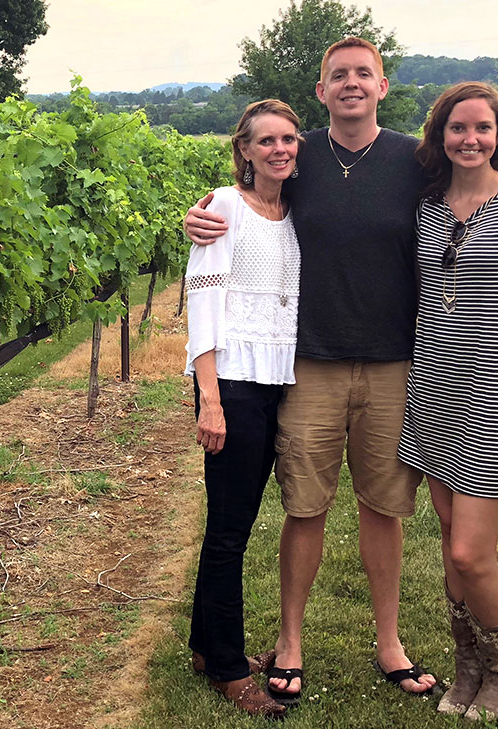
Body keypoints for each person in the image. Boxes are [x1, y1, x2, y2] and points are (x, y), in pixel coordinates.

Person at [183, 37, 498, 703]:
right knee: (305, 506)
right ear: (321, 90)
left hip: (395, 365)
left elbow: (483, 195)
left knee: (382, 507)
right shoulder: (296, 155)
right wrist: (196, 218)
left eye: (364, 73)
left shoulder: (414, 161)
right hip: (312, 365)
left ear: (383, 86)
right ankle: (292, 641)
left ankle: (389, 642)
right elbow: (244, 206)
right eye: (339, 75)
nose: (352, 83)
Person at [398, 81, 498, 721]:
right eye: (457, 128)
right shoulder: (427, 205)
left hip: (496, 398)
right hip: (431, 396)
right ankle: (466, 671)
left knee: (472, 552)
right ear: (440, 136)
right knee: (448, 541)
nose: (470, 139)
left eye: (482, 129)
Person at [184, 98, 303, 718]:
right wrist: (210, 398)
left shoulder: (292, 210)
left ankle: (206, 644)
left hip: (275, 379)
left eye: (288, 139)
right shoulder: (225, 206)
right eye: (267, 142)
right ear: (245, 151)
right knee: (230, 531)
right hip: (231, 381)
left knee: (232, 523)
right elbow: (201, 296)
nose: (280, 149)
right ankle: (230, 670)